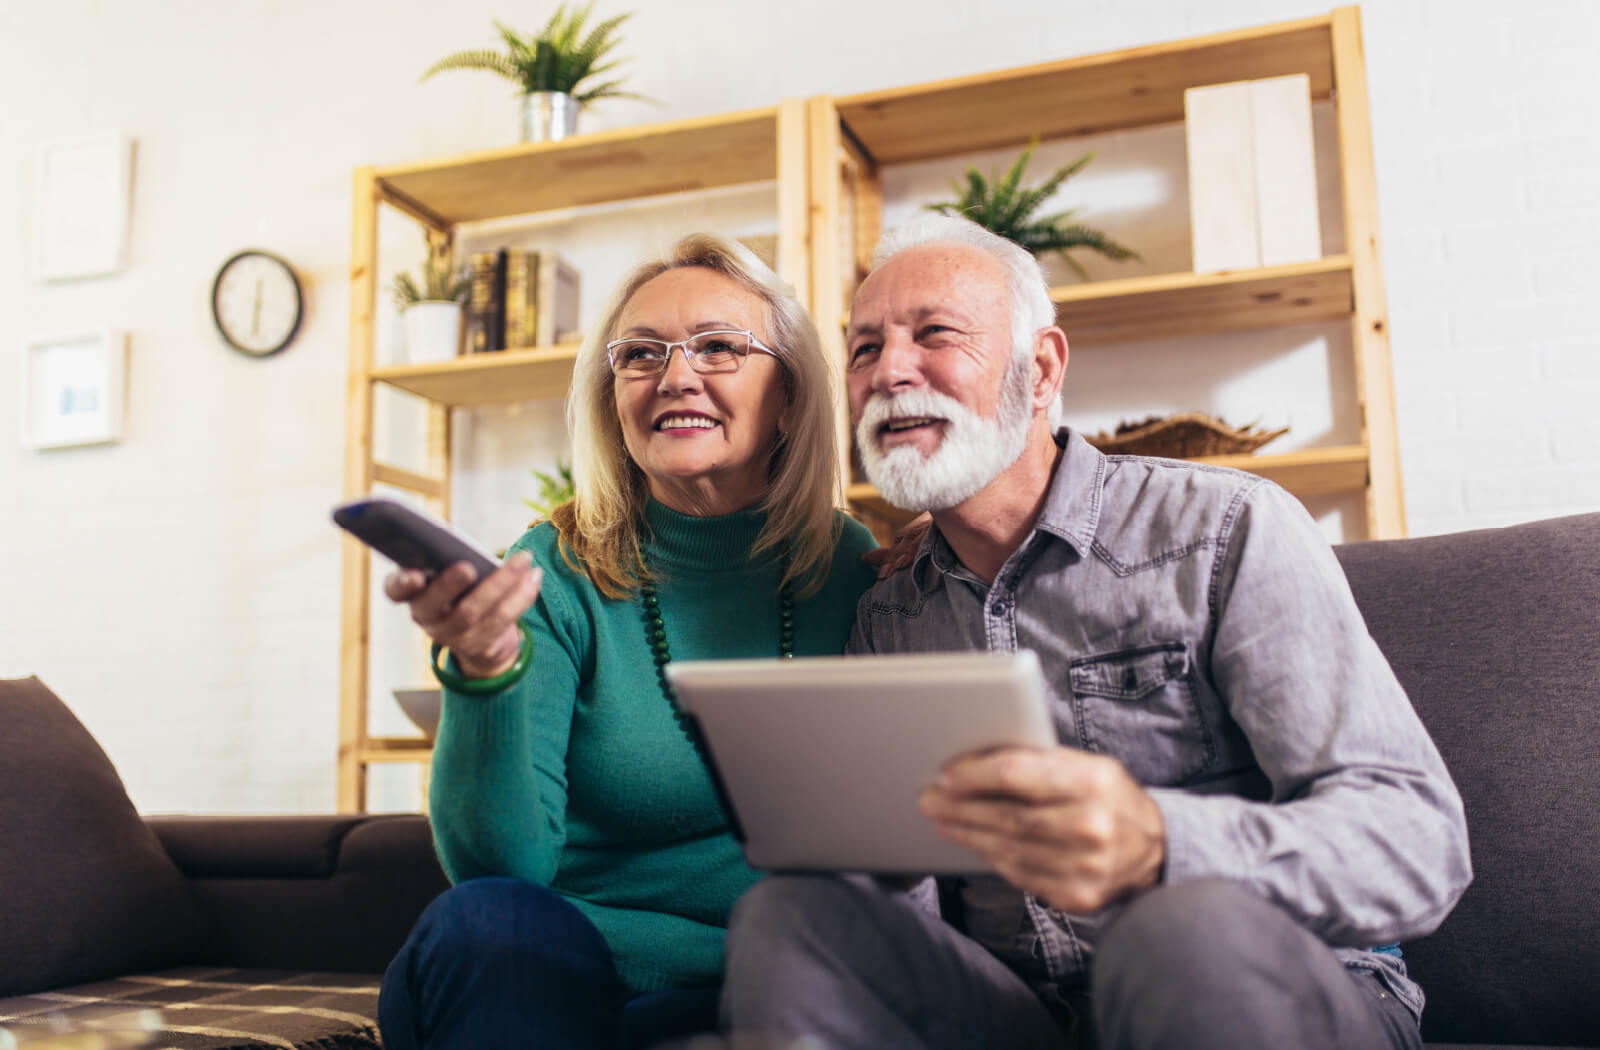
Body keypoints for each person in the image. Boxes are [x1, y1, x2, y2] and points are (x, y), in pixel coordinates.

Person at [719, 214, 1473, 1050]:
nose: (890, 370)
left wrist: (1162, 843)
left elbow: (1419, 845)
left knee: (1174, 930)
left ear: (1039, 371)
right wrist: (873, 862)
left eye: (935, 334)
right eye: (863, 350)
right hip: (1027, 1011)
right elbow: (914, 918)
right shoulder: (892, 615)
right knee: (793, 917)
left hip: (1273, 985)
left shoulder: (1225, 529)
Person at [376, 234, 881, 1050]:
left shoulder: (855, 568)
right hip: (551, 982)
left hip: (762, 982)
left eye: (718, 347)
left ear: (788, 394)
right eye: (640, 354)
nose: (676, 376)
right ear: (613, 396)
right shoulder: (553, 571)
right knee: (485, 918)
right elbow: (497, 867)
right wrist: (486, 670)